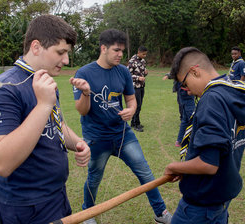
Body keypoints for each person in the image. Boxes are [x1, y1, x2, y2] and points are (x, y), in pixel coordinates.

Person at [0, 15, 91, 224]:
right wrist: (43, 105)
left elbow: (54, 125)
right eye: (61, 52)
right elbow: (1, 163)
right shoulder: (4, 89)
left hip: (55, 197)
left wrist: (77, 142)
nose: (66, 60)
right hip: (23, 208)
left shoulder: (43, 80)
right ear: (36, 46)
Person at [70, 29, 172, 224]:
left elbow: (131, 100)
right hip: (97, 137)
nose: (120, 55)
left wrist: (131, 110)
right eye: (116, 50)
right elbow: (82, 111)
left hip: (123, 134)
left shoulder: (123, 71)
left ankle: (161, 213)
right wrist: (85, 93)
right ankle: (87, 214)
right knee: (94, 178)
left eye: (122, 51)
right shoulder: (84, 73)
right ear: (103, 48)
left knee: (145, 173)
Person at [164, 47, 245, 223]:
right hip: (222, 197)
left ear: (194, 71)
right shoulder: (233, 92)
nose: (186, 90)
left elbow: (209, 164)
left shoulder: (211, 100)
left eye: (184, 84)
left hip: (200, 206)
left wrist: (174, 167)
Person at [127, 46, 148, 132]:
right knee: (137, 105)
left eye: (146, 54)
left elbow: (142, 73)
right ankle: (136, 124)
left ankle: (134, 122)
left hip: (142, 86)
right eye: (143, 54)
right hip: (135, 87)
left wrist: (145, 73)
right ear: (138, 52)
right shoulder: (132, 61)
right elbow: (128, 75)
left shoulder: (143, 61)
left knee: (139, 105)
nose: (145, 56)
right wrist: (138, 78)